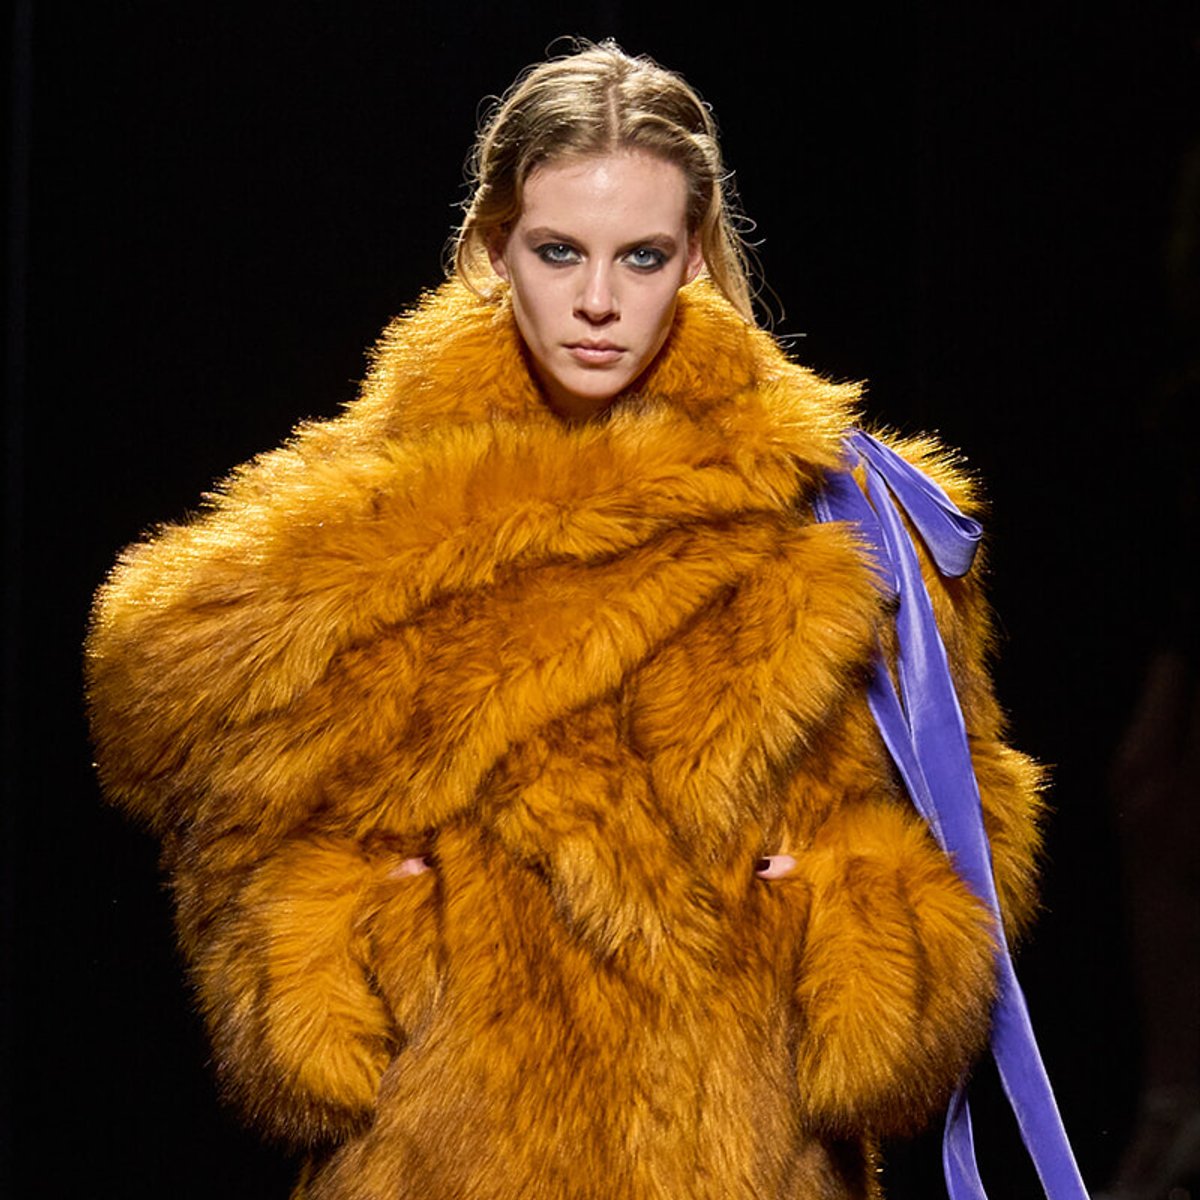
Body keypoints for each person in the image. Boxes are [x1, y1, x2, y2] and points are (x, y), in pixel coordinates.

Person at [86, 41, 1049, 1200]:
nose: (600, 300)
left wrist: (850, 913)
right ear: (495, 249)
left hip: (740, 1149)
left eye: (640, 255)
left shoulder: (844, 516)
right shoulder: (345, 525)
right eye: (559, 251)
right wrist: (334, 938)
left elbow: (964, 821)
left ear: (693, 256)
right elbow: (210, 793)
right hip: (437, 1152)